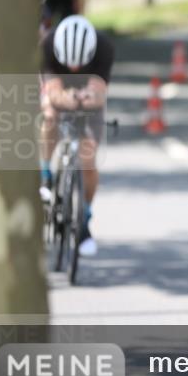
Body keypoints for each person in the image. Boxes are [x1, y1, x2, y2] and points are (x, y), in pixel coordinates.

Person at [39, 15, 114, 257]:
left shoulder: (104, 48)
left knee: (88, 159)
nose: (73, 69)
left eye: (78, 65)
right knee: (49, 116)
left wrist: (86, 98)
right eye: (68, 65)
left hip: (89, 97)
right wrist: (66, 99)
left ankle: (85, 215)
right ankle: (45, 175)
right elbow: (53, 92)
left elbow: (98, 93)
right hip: (60, 93)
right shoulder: (47, 46)